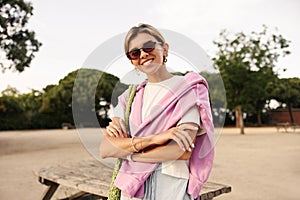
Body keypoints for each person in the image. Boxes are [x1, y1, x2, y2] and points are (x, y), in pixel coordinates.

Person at [100, 23, 214, 200]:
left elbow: (178, 151)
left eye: (149, 46)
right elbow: (106, 148)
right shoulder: (127, 97)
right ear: (132, 61)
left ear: (165, 49)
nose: (143, 54)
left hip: (171, 189)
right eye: (135, 53)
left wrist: (127, 152)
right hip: (132, 191)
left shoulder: (190, 88)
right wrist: (155, 139)